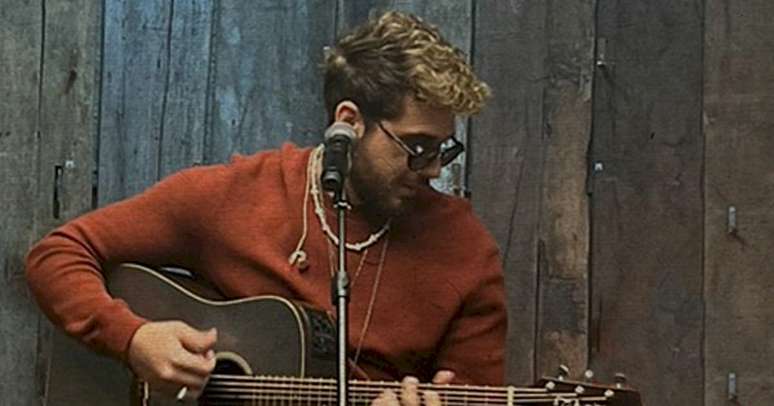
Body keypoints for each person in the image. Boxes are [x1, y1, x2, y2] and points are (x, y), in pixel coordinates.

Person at [26, 10, 506, 405]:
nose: (433, 169)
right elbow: (58, 253)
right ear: (350, 121)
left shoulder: (465, 251)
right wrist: (133, 340)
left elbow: (475, 391)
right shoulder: (236, 196)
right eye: (417, 147)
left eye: (443, 149)